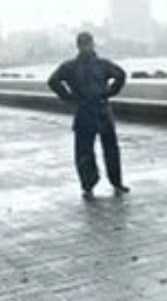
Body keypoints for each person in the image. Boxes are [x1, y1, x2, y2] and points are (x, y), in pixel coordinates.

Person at [47, 32, 129, 200]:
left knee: (110, 150)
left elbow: (121, 75)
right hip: (86, 111)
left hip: (101, 110)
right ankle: (89, 185)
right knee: (85, 152)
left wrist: (109, 92)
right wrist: (68, 97)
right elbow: (53, 81)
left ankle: (116, 182)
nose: (87, 47)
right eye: (84, 44)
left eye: (88, 44)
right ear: (79, 46)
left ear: (92, 44)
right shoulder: (70, 67)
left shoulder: (102, 64)